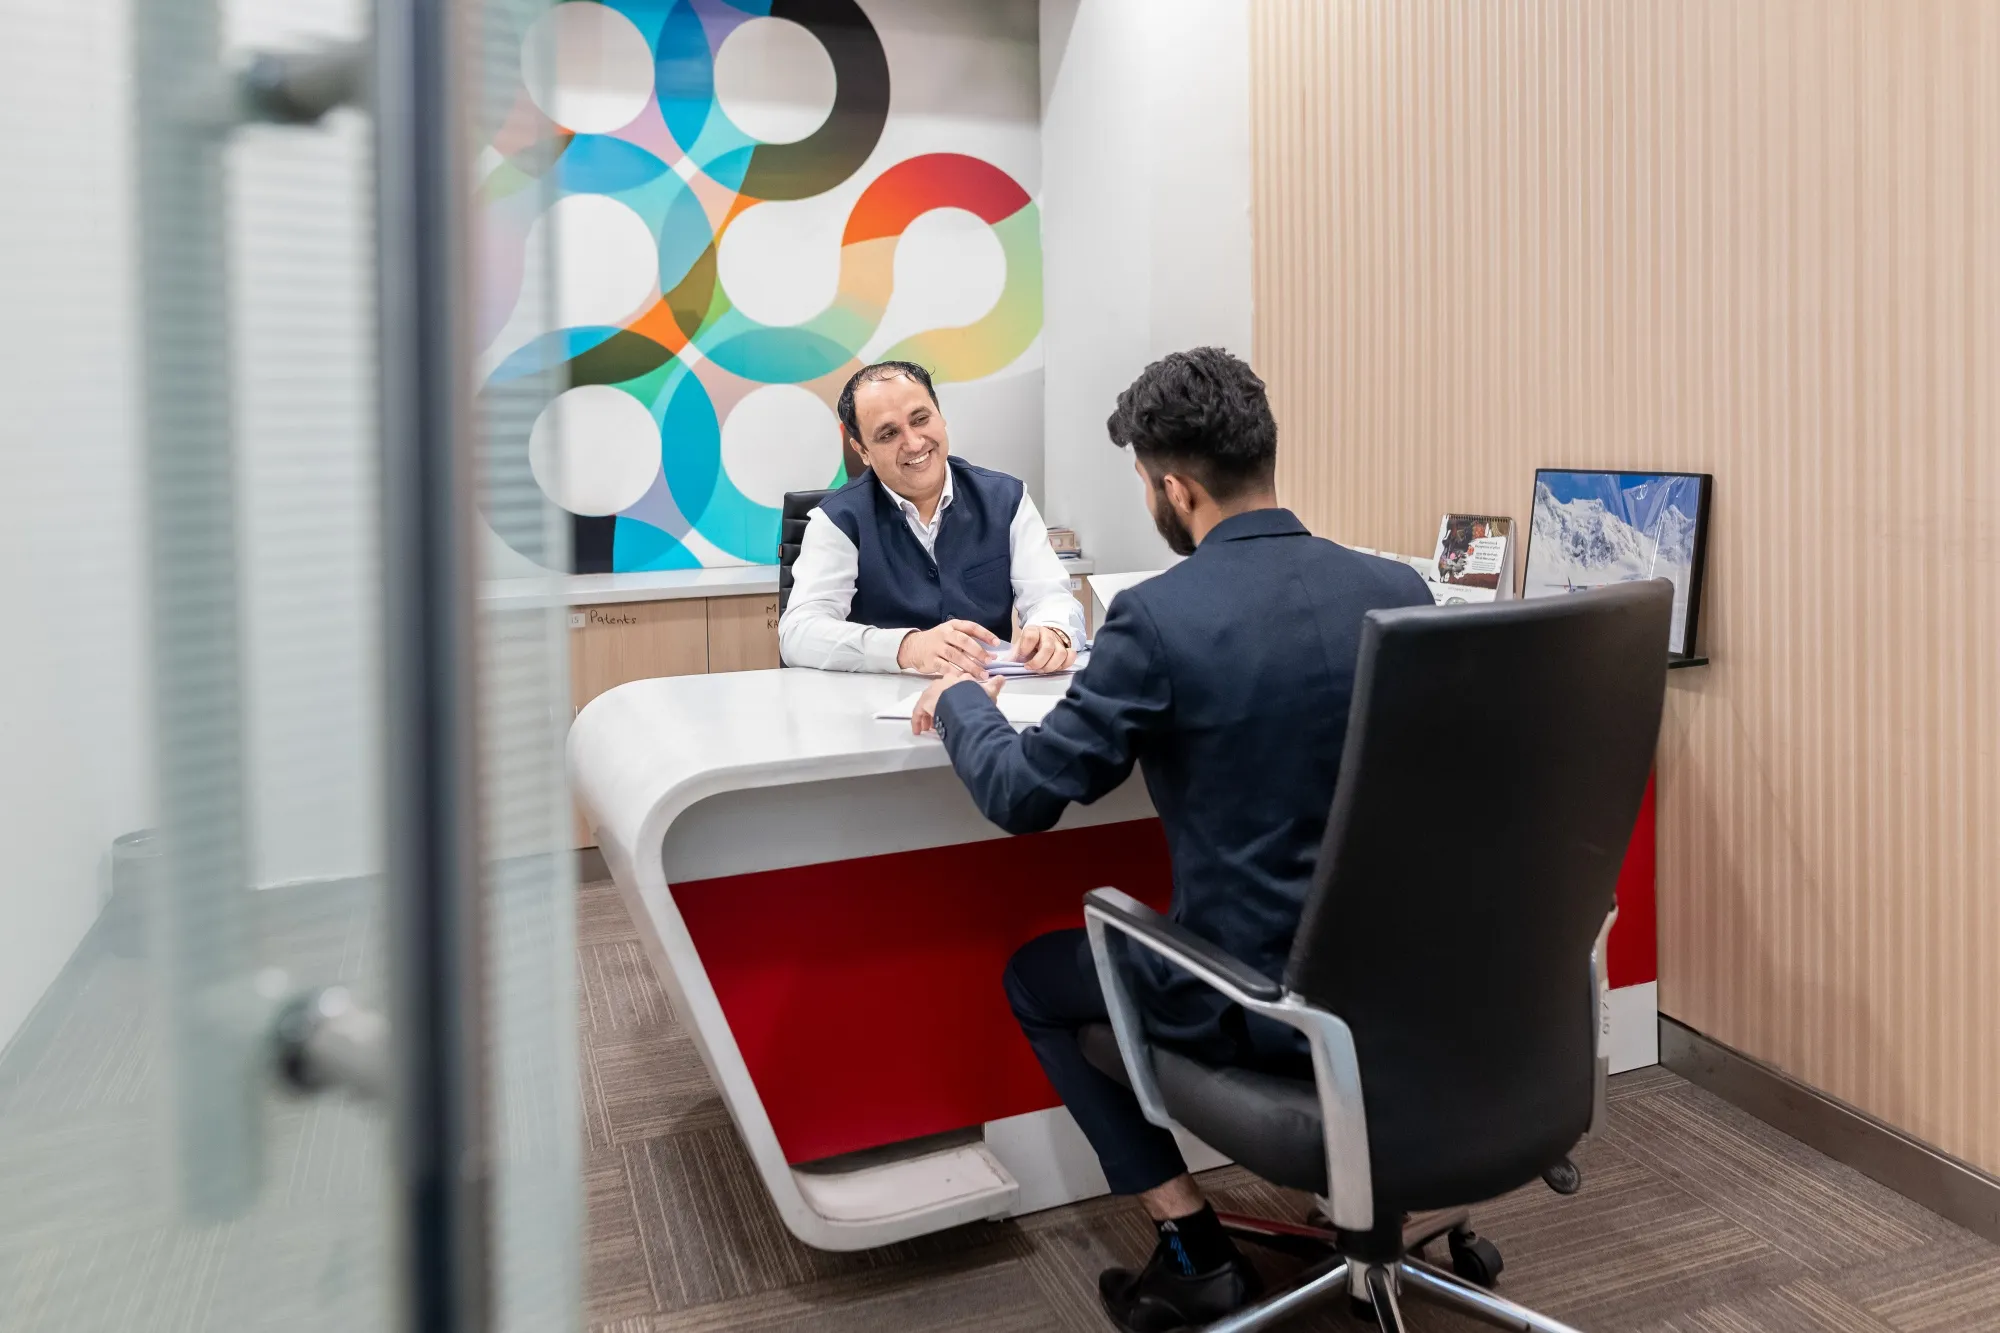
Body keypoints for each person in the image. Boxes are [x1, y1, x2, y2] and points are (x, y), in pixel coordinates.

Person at [908, 347, 1433, 1331]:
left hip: (1256, 1006)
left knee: (1037, 978)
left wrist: (963, 705)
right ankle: (1355, 1207)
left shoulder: (1156, 616)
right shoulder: (1397, 586)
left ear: (1171, 487)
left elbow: (1022, 794)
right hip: (1413, 991)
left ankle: (1190, 1244)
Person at [778, 360, 1086, 676]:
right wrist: (907, 648)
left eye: (921, 419)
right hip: (873, 705)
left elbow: (1052, 597)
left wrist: (1052, 631)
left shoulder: (1006, 499)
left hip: (987, 699)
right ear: (863, 450)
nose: (913, 443)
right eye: (888, 434)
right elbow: (798, 633)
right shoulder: (838, 520)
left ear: (940, 416)